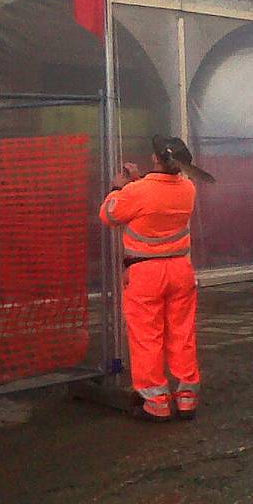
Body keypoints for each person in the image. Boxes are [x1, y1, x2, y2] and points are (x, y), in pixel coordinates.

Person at [100, 136, 201, 421]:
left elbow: (109, 215)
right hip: (180, 270)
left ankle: (155, 401)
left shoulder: (137, 191)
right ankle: (186, 398)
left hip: (145, 273)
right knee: (182, 335)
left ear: (156, 159)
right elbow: (160, 190)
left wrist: (119, 187)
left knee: (147, 337)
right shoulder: (188, 188)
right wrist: (137, 182)